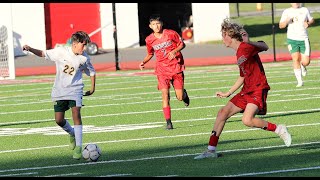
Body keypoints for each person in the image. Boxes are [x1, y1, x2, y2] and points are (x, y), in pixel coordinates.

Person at [194, 18, 292, 160]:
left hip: (257, 88)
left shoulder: (246, 47)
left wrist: (249, 41)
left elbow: (264, 46)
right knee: (222, 113)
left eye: (224, 35)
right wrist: (228, 92)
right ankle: (210, 151)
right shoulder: (239, 52)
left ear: (231, 35)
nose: (222, 39)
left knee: (247, 120)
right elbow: (242, 76)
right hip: (246, 90)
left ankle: (278, 129)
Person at [22, 31, 96, 160]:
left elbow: (92, 72)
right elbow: (43, 53)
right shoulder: (60, 51)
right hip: (60, 90)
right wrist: (30, 49)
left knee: (76, 114)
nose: (84, 48)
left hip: (76, 89)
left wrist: (92, 88)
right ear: (74, 43)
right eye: (83, 45)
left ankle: (79, 146)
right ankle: (72, 133)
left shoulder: (84, 58)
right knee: (59, 120)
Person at [139, 14, 190, 130]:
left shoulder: (171, 33)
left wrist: (175, 51)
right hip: (162, 70)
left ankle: (184, 94)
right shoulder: (149, 39)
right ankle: (168, 122)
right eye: (153, 24)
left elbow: (182, 44)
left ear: (161, 24)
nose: (156, 26)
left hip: (176, 68)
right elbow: (150, 53)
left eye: (158, 23)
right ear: (150, 26)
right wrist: (143, 62)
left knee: (180, 97)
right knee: (165, 95)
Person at [279, 3, 314, 87]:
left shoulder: (304, 10)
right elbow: (281, 25)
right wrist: (287, 20)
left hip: (303, 39)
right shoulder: (287, 11)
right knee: (295, 59)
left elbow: (312, 19)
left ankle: (303, 65)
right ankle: (299, 81)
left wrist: (308, 23)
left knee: (306, 62)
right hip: (292, 39)